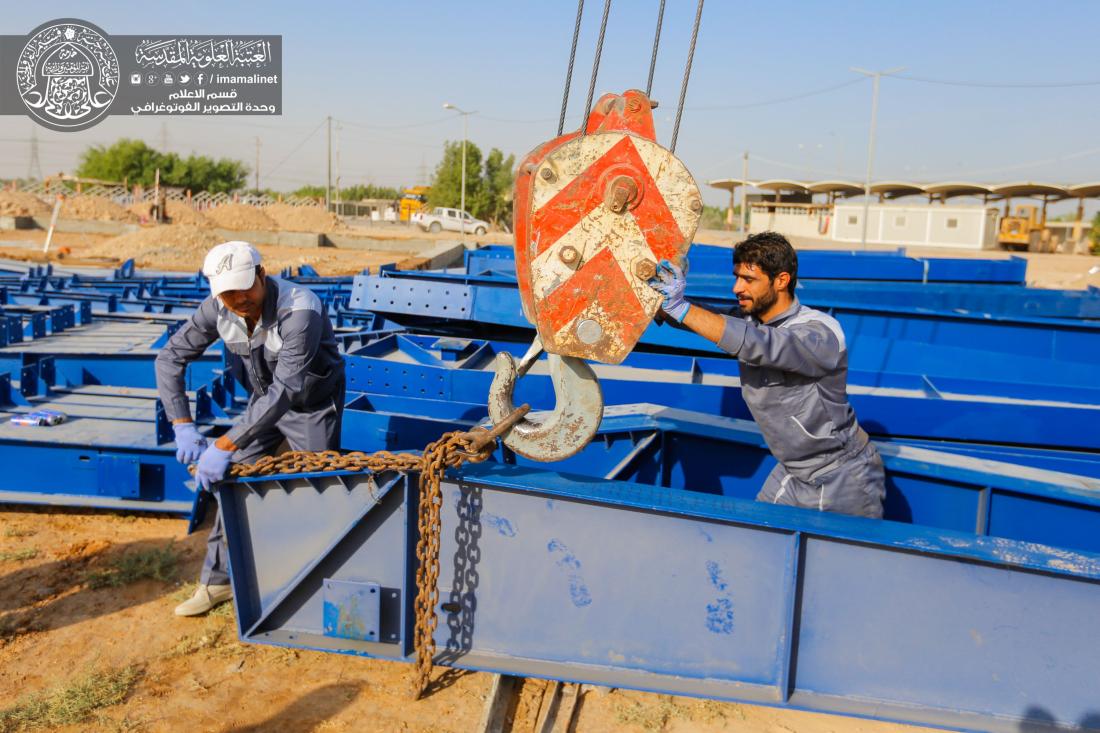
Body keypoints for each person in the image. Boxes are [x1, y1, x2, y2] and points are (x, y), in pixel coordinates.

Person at [156, 241, 346, 616]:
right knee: (230, 483)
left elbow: (287, 390)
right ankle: (218, 582)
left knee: (320, 488)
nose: (239, 298)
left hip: (310, 404)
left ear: (262, 273)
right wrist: (182, 425)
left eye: (246, 286)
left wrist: (225, 443)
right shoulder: (217, 310)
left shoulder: (299, 310)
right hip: (260, 404)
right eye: (227, 292)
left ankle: (316, 580)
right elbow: (169, 358)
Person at [647, 231, 885, 518]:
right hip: (793, 471)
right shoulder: (751, 320)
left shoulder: (820, 331)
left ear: (781, 280)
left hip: (839, 477)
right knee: (755, 540)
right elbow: (712, 319)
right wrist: (661, 304)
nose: (736, 287)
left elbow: (764, 344)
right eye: (736, 277)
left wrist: (681, 308)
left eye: (749, 279)